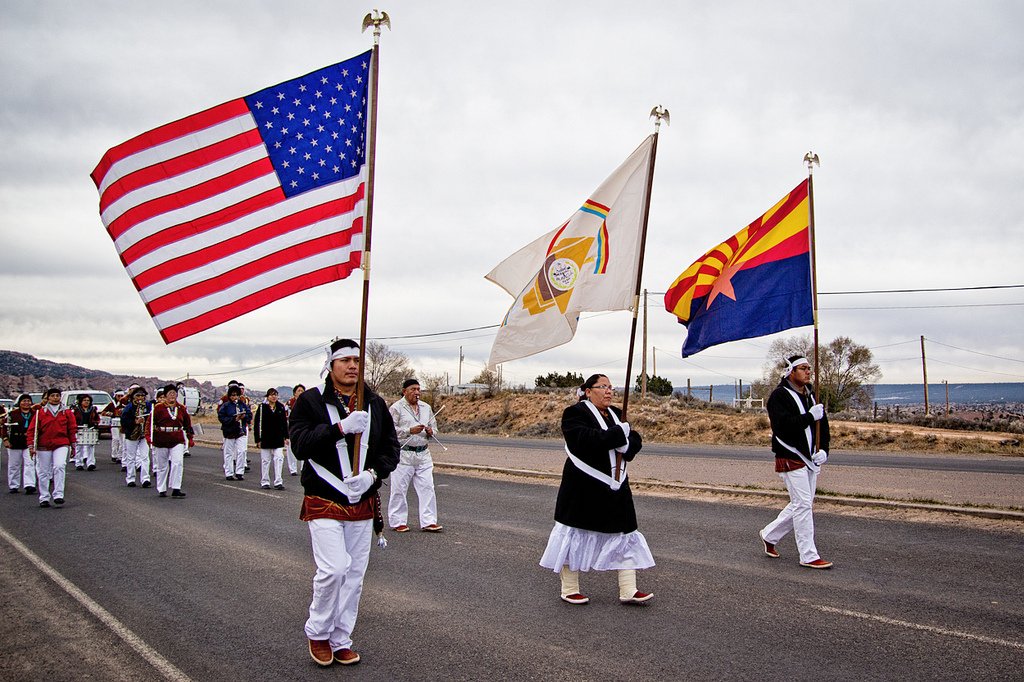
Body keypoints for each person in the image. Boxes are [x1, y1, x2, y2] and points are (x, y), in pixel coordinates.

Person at [289, 338, 399, 667]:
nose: (353, 366)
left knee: (354, 576)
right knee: (334, 569)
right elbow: (299, 445)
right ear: (331, 365)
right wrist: (339, 428)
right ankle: (318, 630)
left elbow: (390, 448)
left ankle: (341, 638)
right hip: (324, 497)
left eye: (357, 360)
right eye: (346, 360)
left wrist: (373, 474)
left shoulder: (375, 403)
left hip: (362, 500)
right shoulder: (308, 402)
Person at [539, 374, 654, 605]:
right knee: (574, 534)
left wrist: (627, 443)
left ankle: (628, 589)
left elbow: (634, 438)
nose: (609, 391)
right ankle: (569, 588)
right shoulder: (575, 414)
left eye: (611, 387)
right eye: (603, 387)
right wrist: (617, 436)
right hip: (583, 487)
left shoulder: (616, 415)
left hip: (615, 487)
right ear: (588, 391)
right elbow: (582, 439)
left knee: (624, 533)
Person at [759, 355, 833, 569]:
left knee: (802, 503)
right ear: (791, 371)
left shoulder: (810, 395)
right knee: (803, 505)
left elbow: (823, 426)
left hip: (810, 458)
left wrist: (824, 450)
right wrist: (810, 416)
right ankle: (808, 555)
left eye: (809, 368)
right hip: (790, 456)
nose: (808, 372)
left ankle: (770, 535)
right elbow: (784, 426)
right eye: (803, 368)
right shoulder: (779, 396)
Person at [388, 378, 442, 532]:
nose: (417, 393)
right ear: (404, 391)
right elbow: (390, 430)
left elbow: (434, 428)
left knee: (427, 487)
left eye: (418, 389)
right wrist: (409, 431)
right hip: (403, 454)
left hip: (423, 453)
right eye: (413, 389)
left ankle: (429, 521)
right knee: (399, 488)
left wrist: (431, 432)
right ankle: (398, 521)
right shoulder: (396, 408)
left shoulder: (426, 408)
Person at [28, 388, 77, 507]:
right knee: (44, 471)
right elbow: (32, 430)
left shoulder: (67, 413)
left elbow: (72, 429)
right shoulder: (40, 413)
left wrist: (73, 445)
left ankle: (58, 495)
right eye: (53, 396)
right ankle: (44, 497)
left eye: (57, 396)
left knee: (59, 466)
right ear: (47, 398)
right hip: (43, 445)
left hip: (61, 443)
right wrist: (31, 445)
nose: (55, 398)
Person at [146, 384, 193, 498]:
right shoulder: (158, 408)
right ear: (165, 395)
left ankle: (176, 488)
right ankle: (162, 489)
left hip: (177, 438)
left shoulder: (181, 408)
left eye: (174, 393)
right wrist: (148, 436)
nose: (172, 396)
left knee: (177, 462)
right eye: (170, 393)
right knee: (162, 465)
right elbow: (149, 423)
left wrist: (190, 437)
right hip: (161, 438)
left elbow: (187, 424)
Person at [254, 388, 288, 490]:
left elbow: (284, 423)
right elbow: (257, 424)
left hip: (277, 438)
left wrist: (286, 437)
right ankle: (265, 481)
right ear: (267, 396)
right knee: (265, 460)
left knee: (279, 458)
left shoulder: (280, 407)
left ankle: (278, 481)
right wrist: (257, 439)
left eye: (275, 395)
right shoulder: (261, 408)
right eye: (272, 395)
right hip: (265, 438)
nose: (274, 397)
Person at [3, 394, 37, 495]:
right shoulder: (12, 414)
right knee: (14, 465)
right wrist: (5, 439)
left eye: (28, 401)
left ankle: (29, 484)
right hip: (15, 440)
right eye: (24, 401)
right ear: (19, 403)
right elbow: (4, 427)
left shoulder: (35, 414)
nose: (26, 403)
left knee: (30, 463)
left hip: (29, 441)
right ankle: (14, 485)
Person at [219, 384, 252, 481]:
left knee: (242, 451)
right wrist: (234, 419)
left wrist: (244, 417)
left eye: (237, 395)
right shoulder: (225, 406)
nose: (235, 397)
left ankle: (239, 472)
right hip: (229, 432)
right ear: (229, 396)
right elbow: (221, 418)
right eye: (233, 395)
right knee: (229, 453)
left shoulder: (242, 404)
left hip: (240, 432)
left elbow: (249, 415)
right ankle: (229, 472)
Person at [121, 387, 152, 488]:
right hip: (132, 435)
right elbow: (124, 422)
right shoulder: (129, 408)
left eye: (142, 396)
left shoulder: (149, 406)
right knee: (131, 457)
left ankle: (145, 479)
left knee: (145, 457)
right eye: (138, 396)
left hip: (144, 435)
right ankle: (130, 478)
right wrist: (135, 422)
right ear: (133, 397)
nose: (140, 398)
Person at [71, 394, 100, 471]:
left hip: (90, 429)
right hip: (79, 429)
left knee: (91, 446)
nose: (86, 402)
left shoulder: (93, 409)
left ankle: (91, 463)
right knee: (79, 446)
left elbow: (97, 418)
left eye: (88, 400)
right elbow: (73, 419)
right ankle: (79, 463)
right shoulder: (76, 410)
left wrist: (96, 423)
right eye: (84, 400)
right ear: (81, 402)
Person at [284, 384, 305, 476]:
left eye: (302, 391)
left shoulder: (306, 402)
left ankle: (303, 467)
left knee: (304, 446)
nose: (300, 393)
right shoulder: (289, 403)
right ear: (294, 393)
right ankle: (292, 468)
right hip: (291, 427)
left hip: (304, 427)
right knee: (291, 448)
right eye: (299, 391)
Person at [101, 390, 127, 463]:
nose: (120, 397)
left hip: (122, 422)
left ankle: (120, 455)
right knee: (115, 439)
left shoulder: (125, 404)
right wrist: (108, 413)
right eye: (118, 396)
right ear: (115, 396)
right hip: (114, 423)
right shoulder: (111, 404)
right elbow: (103, 412)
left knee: (122, 440)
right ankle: (114, 455)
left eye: (121, 396)